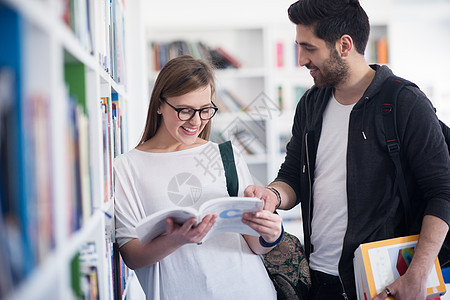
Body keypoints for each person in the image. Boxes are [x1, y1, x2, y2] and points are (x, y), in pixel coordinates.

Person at [244, 0, 450, 299]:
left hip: (386, 282)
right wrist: (272, 195)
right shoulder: (311, 102)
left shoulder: (404, 102)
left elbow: (442, 191)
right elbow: (292, 174)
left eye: (309, 48)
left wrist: (417, 274)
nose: (301, 59)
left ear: (344, 45)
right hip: (319, 279)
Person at [114, 55, 282, 299]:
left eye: (205, 110)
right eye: (185, 110)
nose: (196, 122)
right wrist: (177, 239)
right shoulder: (127, 167)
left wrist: (270, 234)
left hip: (249, 289)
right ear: (159, 104)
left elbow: (256, 245)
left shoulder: (225, 155)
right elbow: (132, 256)